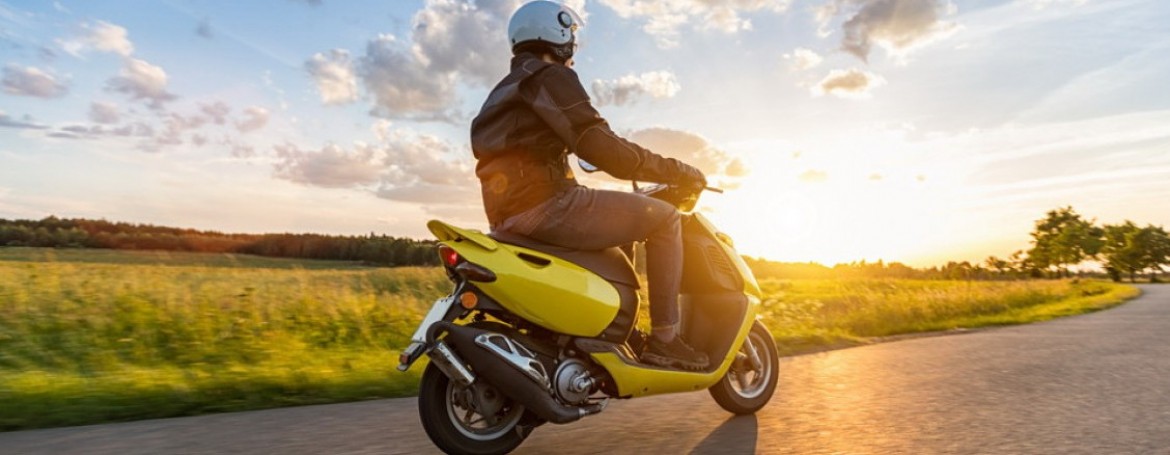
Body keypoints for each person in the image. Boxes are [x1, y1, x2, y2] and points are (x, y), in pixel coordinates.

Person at [470, 1, 709, 369]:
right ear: (557, 33)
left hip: (505, 215)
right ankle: (666, 340)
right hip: (548, 205)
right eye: (571, 34)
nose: (573, 45)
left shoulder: (503, 92)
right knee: (664, 219)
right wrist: (675, 170)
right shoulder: (549, 76)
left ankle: (617, 330)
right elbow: (600, 145)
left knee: (619, 231)